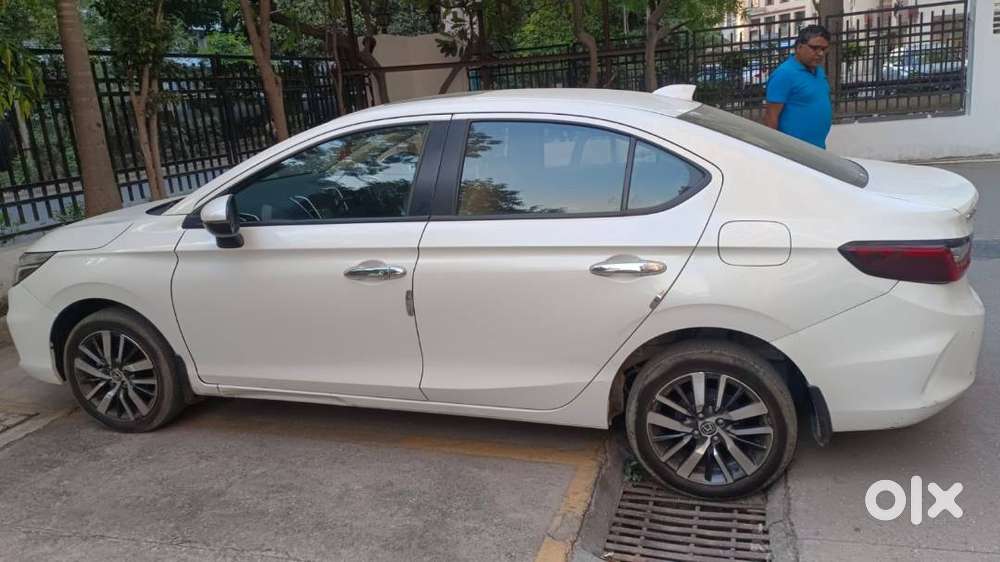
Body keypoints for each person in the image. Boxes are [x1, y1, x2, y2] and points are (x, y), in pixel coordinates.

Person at [763, 25, 833, 148]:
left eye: (824, 49)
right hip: (793, 153)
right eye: (815, 48)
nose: (820, 53)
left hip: (818, 149)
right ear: (799, 47)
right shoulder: (784, 74)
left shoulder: (819, 72)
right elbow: (771, 117)